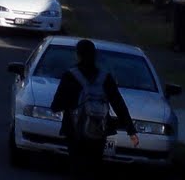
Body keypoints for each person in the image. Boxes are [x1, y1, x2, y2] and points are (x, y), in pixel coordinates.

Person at [50, 38, 139, 174]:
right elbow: (118, 104)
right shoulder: (105, 78)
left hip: (74, 131)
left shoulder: (70, 76)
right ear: (95, 55)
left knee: (76, 167)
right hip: (99, 130)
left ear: (77, 54)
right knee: (94, 167)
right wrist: (131, 131)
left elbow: (56, 104)